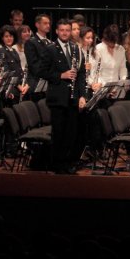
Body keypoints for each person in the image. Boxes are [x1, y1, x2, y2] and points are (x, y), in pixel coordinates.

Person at [42, 19, 87, 174]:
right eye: (62, 30)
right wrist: (61, 75)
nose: (65, 33)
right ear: (57, 31)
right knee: (59, 132)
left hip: (73, 98)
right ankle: (57, 164)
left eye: (68, 30)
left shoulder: (76, 48)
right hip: (58, 98)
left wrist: (83, 96)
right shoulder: (50, 49)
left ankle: (68, 162)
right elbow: (42, 71)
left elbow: (81, 74)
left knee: (71, 133)